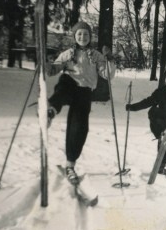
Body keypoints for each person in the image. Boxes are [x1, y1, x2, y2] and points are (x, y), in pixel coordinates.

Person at [46, 21, 116, 184]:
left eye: (85, 34)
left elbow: (107, 75)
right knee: (63, 86)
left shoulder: (96, 55)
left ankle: (70, 165)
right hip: (69, 84)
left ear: (90, 37)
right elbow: (53, 70)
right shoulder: (68, 53)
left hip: (84, 91)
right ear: (74, 37)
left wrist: (109, 60)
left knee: (79, 127)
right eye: (79, 34)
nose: (82, 37)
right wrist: (47, 64)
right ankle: (51, 110)